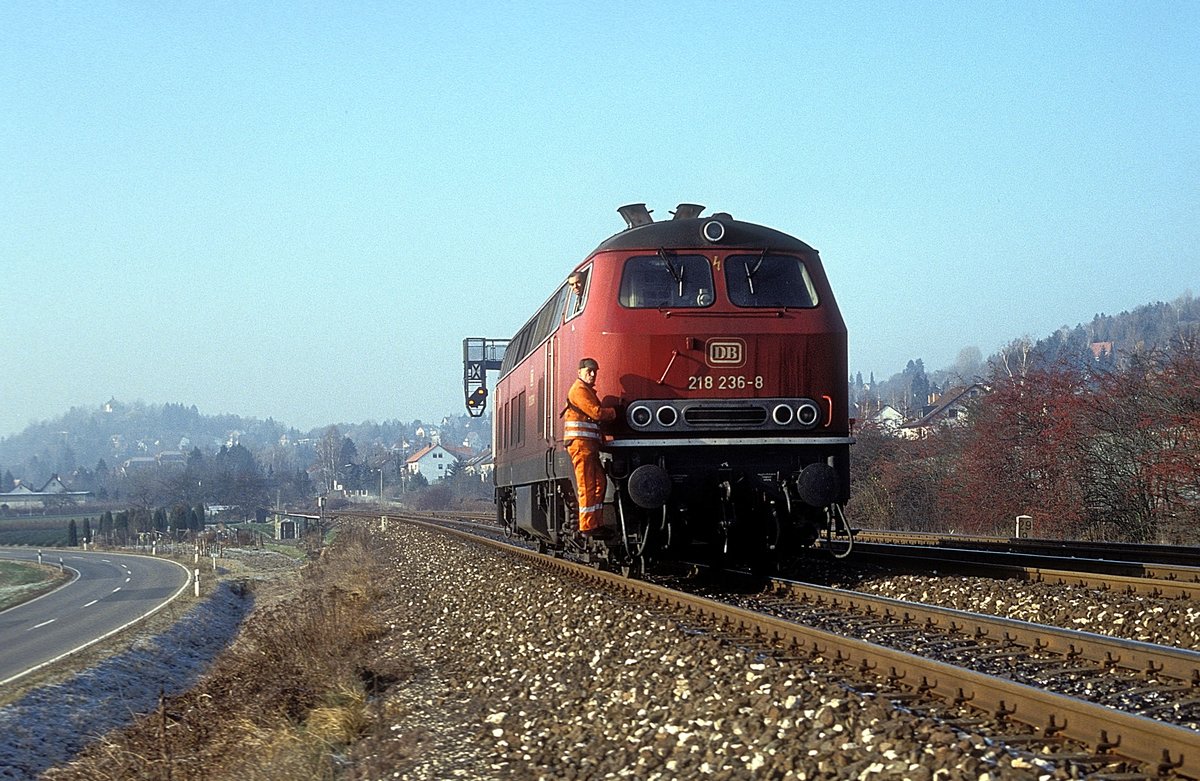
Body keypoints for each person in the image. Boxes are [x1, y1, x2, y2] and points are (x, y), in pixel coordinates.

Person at [562, 357, 616, 535]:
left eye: (594, 371)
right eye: (589, 371)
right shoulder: (579, 390)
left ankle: (596, 522)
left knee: (599, 482)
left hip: (589, 446)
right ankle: (587, 526)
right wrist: (615, 412)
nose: (592, 374)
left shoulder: (588, 391)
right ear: (580, 373)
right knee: (586, 484)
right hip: (580, 445)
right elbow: (596, 413)